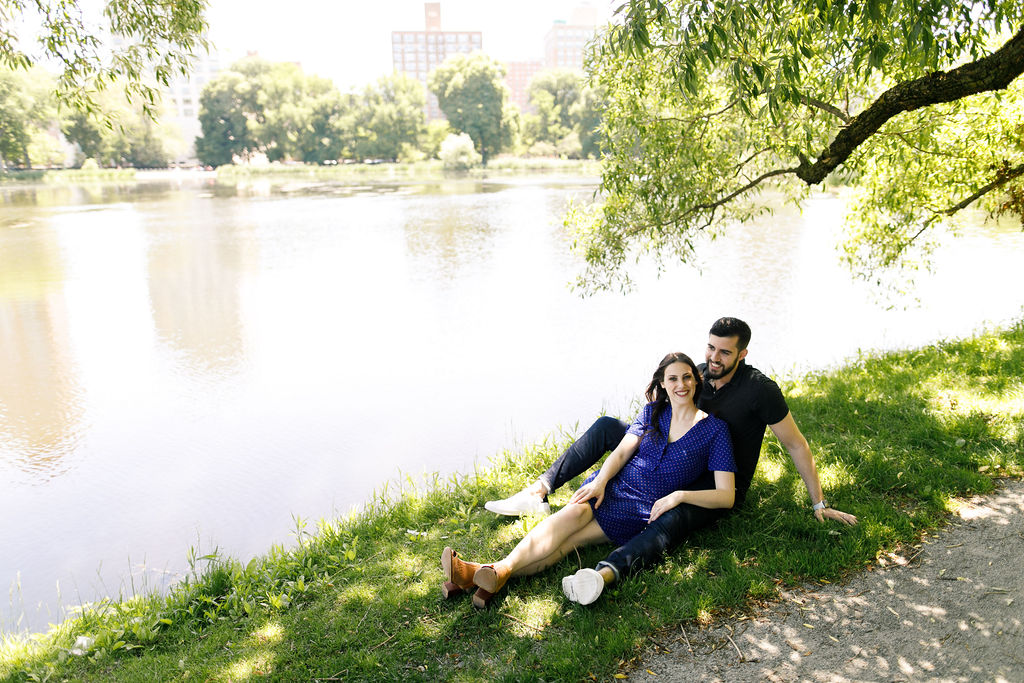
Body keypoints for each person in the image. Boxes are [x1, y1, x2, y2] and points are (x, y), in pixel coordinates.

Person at [485, 317, 858, 605]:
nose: (713, 359)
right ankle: (541, 489)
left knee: (671, 514)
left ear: (742, 354)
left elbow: (796, 445)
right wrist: (652, 411)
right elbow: (665, 401)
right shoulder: (697, 375)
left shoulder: (759, 390)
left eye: (724, 353)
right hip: (674, 452)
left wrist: (818, 503)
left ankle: (606, 572)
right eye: (710, 349)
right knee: (607, 428)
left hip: (714, 478)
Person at [442, 352, 736, 608]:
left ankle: (481, 574)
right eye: (673, 379)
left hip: (639, 510)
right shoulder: (652, 412)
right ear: (662, 383)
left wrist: (680, 496)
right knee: (571, 518)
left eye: (686, 378)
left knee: (571, 541)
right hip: (613, 486)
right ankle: (491, 574)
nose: (680, 385)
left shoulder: (715, 431)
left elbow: (727, 496)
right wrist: (600, 482)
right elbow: (621, 453)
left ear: (696, 380)